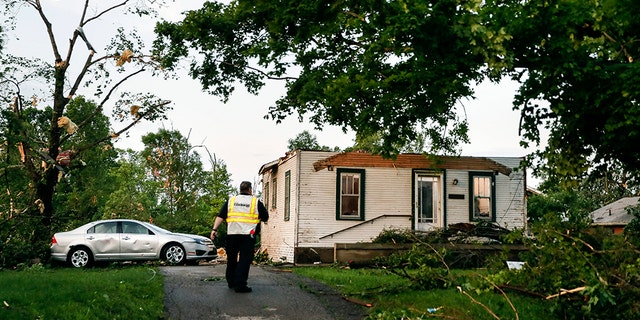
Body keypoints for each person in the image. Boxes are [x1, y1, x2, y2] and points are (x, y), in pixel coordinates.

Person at [211, 181, 268, 293]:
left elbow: (221, 216)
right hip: (248, 235)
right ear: (250, 189)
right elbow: (265, 217)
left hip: (232, 234)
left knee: (231, 258)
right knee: (244, 260)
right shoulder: (255, 202)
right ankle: (240, 284)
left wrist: (214, 229)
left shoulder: (231, 201)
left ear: (240, 189)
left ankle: (231, 281)